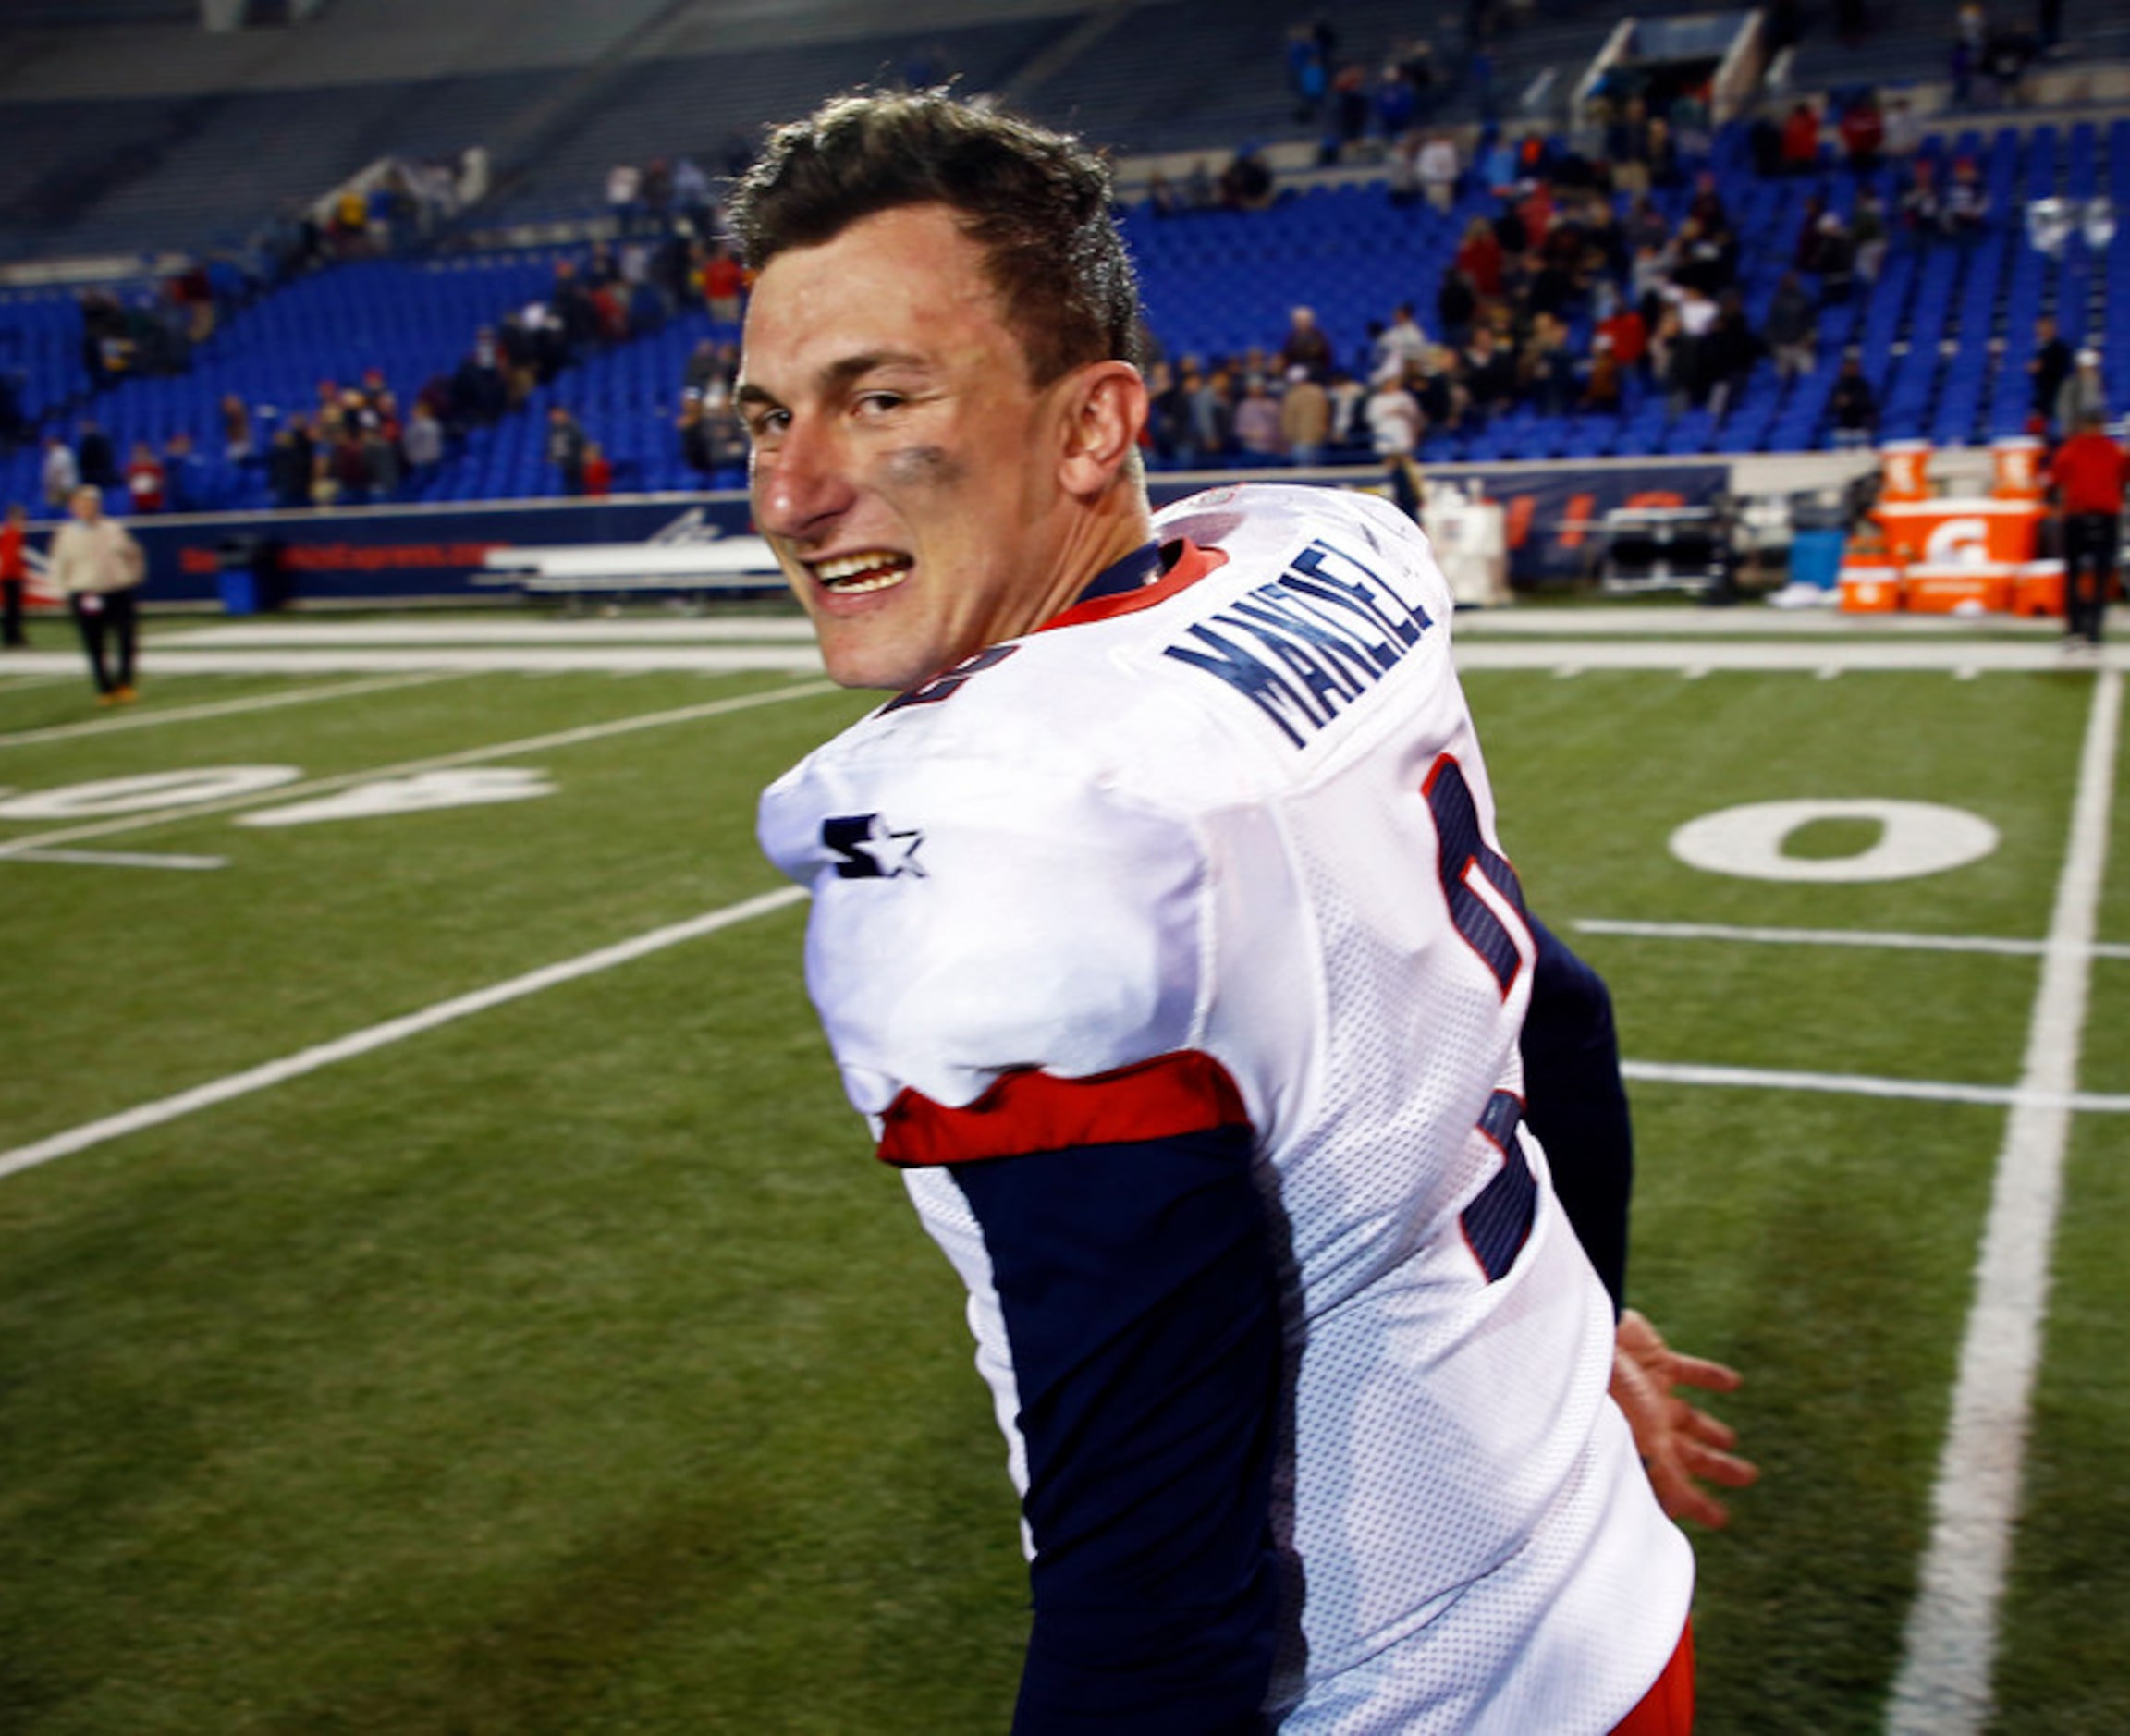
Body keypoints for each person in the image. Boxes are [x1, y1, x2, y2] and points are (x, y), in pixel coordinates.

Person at [732, 89, 1725, 1733]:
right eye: (767, 417)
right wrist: (1579, 1329)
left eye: (880, 397)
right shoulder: (1305, 553)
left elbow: (1158, 1600)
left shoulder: (1016, 828)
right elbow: (1558, 1009)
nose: (793, 490)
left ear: (1089, 426)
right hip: (1599, 1595)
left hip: (1414, 1693)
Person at [50, 484, 145, 704]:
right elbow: (59, 565)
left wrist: (132, 577)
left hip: (117, 590)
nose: (86, 507)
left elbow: (134, 554)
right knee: (94, 642)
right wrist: (64, 590)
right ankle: (104, 688)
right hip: (86, 593)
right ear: (74, 507)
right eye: (81, 503)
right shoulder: (66, 534)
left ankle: (125, 683)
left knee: (126, 639)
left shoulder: (113, 528)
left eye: (90, 503)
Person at [2047, 412, 2125, 647]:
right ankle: (2090, 631)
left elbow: (2056, 479)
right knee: (2097, 575)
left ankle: (2077, 630)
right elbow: (2124, 477)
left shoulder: (2071, 449)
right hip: (2102, 516)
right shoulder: (2113, 450)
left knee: (2076, 575)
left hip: (2079, 516)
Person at [0, 502, 30, 648]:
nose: (23, 522)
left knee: (11, 609)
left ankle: (12, 637)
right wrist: (19, 574)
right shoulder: (11, 534)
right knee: (12, 609)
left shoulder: (7, 532)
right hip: (10, 576)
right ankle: (12, 638)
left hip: (7, 575)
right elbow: (10, 557)